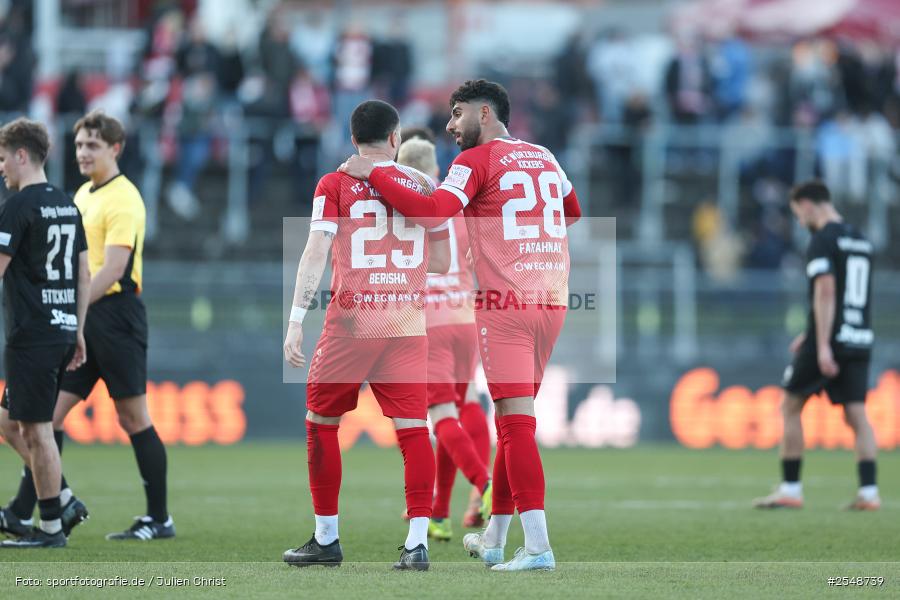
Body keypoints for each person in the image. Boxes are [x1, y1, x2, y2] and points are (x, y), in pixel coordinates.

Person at [340, 80, 582, 571]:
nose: (450, 125)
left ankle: (538, 548)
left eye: (456, 115)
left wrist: (376, 173)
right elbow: (571, 212)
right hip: (551, 302)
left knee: (516, 427)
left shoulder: (473, 162)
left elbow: (432, 212)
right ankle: (494, 539)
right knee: (511, 422)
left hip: (505, 308)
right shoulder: (544, 155)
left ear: (485, 113)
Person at [282, 100, 450, 570]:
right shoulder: (424, 186)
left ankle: (327, 538)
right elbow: (440, 263)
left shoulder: (334, 183)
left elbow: (317, 249)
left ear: (353, 138)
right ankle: (417, 544)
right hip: (405, 323)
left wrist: (296, 318)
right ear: (395, 139)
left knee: (321, 424)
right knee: (415, 432)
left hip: (353, 323)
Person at [58, 110, 173, 539]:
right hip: (87, 315)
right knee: (47, 417)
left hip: (115, 314)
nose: (82, 153)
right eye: (79, 145)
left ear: (115, 148)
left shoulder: (123, 197)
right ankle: (55, 506)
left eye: (92, 145)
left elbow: (114, 268)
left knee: (133, 416)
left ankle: (159, 519)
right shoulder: (83, 195)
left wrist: (72, 309)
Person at [754, 180, 879, 511]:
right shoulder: (861, 240)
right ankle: (869, 494)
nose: (799, 221)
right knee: (857, 414)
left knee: (790, 406)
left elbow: (826, 290)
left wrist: (820, 343)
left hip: (832, 339)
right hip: (859, 336)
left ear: (807, 204)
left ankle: (790, 490)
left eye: (797, 214)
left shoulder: (822, 241)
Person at [396, 136, 492, 542]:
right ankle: (439, 515)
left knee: (440, 417)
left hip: (431, 322)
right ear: (436, 170)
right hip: (465, 318)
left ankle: (486, 485)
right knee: (466, 399)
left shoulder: (406, 212)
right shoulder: (459, 209)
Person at [0, 118, 89, 548]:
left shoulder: (17, 207)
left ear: (21, 155)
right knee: (9, 422)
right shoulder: (68, 204)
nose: (1, 168)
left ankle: (51, 526)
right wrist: (79, 327)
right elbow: (83, 271)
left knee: (37, 431)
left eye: (2, 158)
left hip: (32, 333)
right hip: (61, 327)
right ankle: (65, 497)